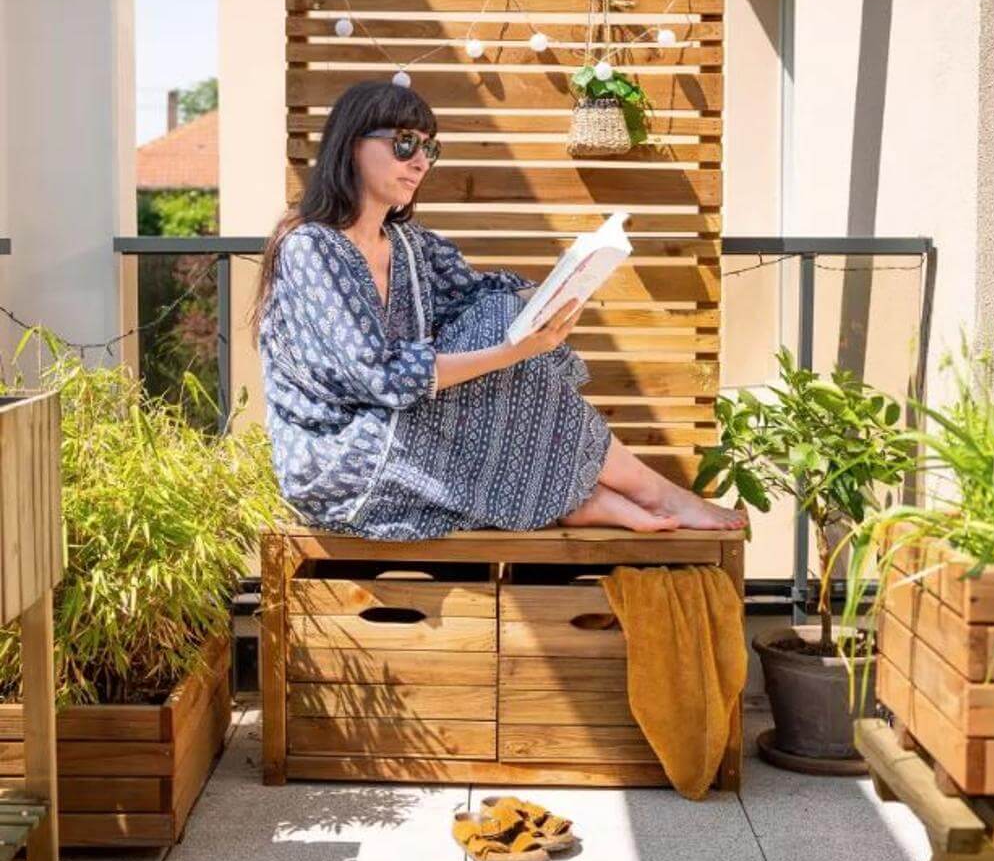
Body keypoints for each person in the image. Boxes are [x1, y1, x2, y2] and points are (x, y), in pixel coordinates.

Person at [249, 79, 746, 540]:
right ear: (352, 144)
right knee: (503, 350)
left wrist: (569, 283)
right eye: (405, 144)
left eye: (429, 148)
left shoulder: (409, 244)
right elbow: (383, 379)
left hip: (400, 428)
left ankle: (584, 496)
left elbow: (483, 300)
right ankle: (634, 491)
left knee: (499, 314)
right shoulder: (311, 248)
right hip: (340, 458)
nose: (420, 161)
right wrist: (514, 350)